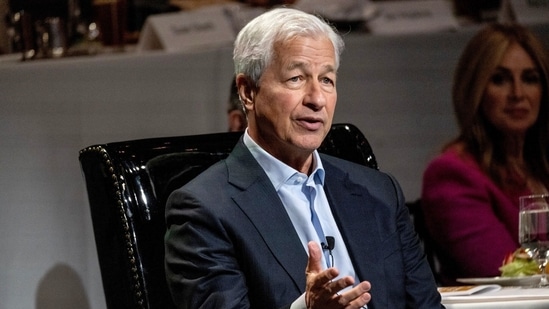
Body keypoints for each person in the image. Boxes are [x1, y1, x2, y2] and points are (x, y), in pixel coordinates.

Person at [165, 7, 443, 309]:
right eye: (296, 78)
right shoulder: (205, 210)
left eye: (327, 80)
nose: (316, 99)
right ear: (247, 92)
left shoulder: (379, 193)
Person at [421, 23, 549, 285]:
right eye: (499, 79)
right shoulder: (451, 174)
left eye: (530, 78)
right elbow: (505, 272)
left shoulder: (541, 166)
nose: (517, 93)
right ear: (475, 90)